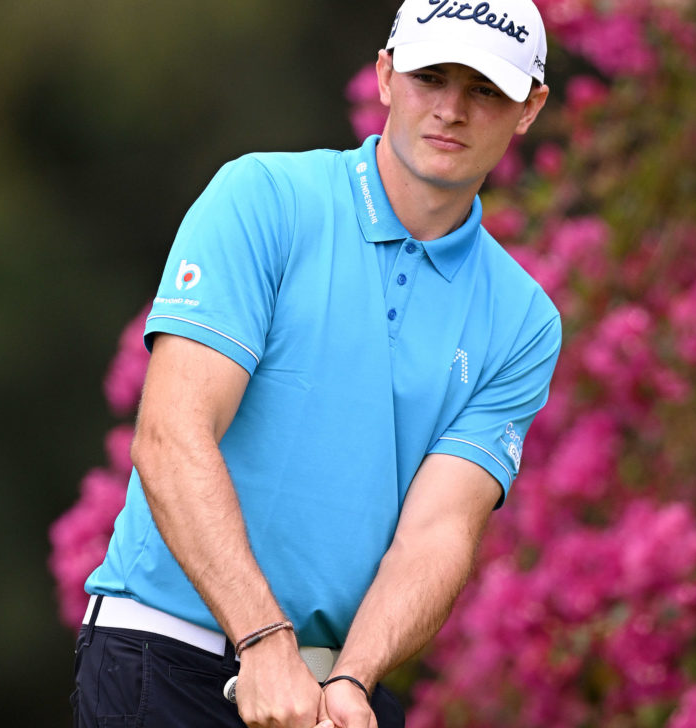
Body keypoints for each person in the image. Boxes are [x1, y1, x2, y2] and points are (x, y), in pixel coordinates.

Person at [71, 0, 560, 726]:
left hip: (335, 695)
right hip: (162, 657)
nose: (452, 109)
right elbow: (172, 437)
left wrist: (355, 680)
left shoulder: (522, 320)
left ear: (529, 108)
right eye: (432, 77)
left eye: (485, 89)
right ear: (387, 75)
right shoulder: (263, 199)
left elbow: (438, 533)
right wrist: (264, 643)